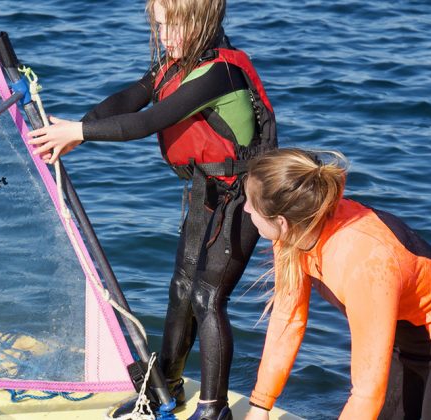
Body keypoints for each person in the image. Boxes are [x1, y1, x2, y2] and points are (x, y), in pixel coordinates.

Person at [28, 0, 277, 418]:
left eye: (170, 28)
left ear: (200, 22)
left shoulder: (219, 73)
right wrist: (72, 129)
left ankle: (215, 410)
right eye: (158, 28)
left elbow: (149, 121)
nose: (163, 37)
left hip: (246, 200)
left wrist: (82, 133)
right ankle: (168, 388)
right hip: (207, 192)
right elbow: (131, 99)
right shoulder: (177, 62)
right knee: (181, 290)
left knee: (207, 295)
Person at [242, 149, 431, 420]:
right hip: (401, 340)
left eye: (250, 203)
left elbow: (366, 392)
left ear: (280, 221)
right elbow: (288, 319)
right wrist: (260, 405)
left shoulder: (364, 260)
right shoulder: (293, 231)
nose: (246, 208)